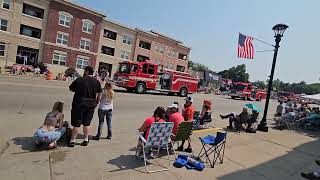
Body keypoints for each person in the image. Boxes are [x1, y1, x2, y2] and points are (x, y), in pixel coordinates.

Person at [68, 66, 102, 147]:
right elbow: (99, 93)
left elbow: (71, 89)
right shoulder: (96, 82)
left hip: (79, 104)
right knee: (86, 123)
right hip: (91, 105)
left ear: (87, 71)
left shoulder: (80, 79)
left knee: (76, 123)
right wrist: (97, 102)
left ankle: (72, 141)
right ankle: (86, 139)